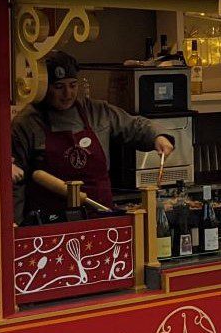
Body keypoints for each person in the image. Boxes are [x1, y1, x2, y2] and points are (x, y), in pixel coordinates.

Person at [11, 50, 173, 219]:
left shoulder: (97, 112)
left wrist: (158, 136)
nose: (67, 94)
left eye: (72, 85)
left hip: (101, 216)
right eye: (59, 87)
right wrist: (14, 224)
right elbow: (16, 182)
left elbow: (134, 125)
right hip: (50, 224)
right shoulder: (27, 123)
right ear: (43, 87)